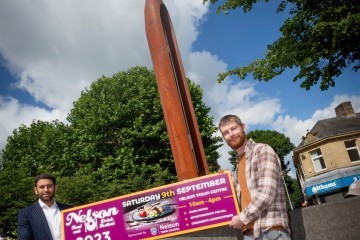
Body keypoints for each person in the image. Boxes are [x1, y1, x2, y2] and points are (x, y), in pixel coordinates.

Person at [218, 115, 291, 240]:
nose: (231, 134)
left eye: (234, 128)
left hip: (271, 231)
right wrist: (229, 183)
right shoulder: (238, 166)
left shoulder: (262, 150)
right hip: (249, 234)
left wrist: (242, 218)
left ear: (243, 127)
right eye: (226, 132)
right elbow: (243, 200)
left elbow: (267, 193)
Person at [17, 173, 72, 240]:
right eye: (42, 187)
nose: (46, 190)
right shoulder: (25, 213)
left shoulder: (69, 210)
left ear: (55, 188)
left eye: (49, 186)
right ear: (35, 190)